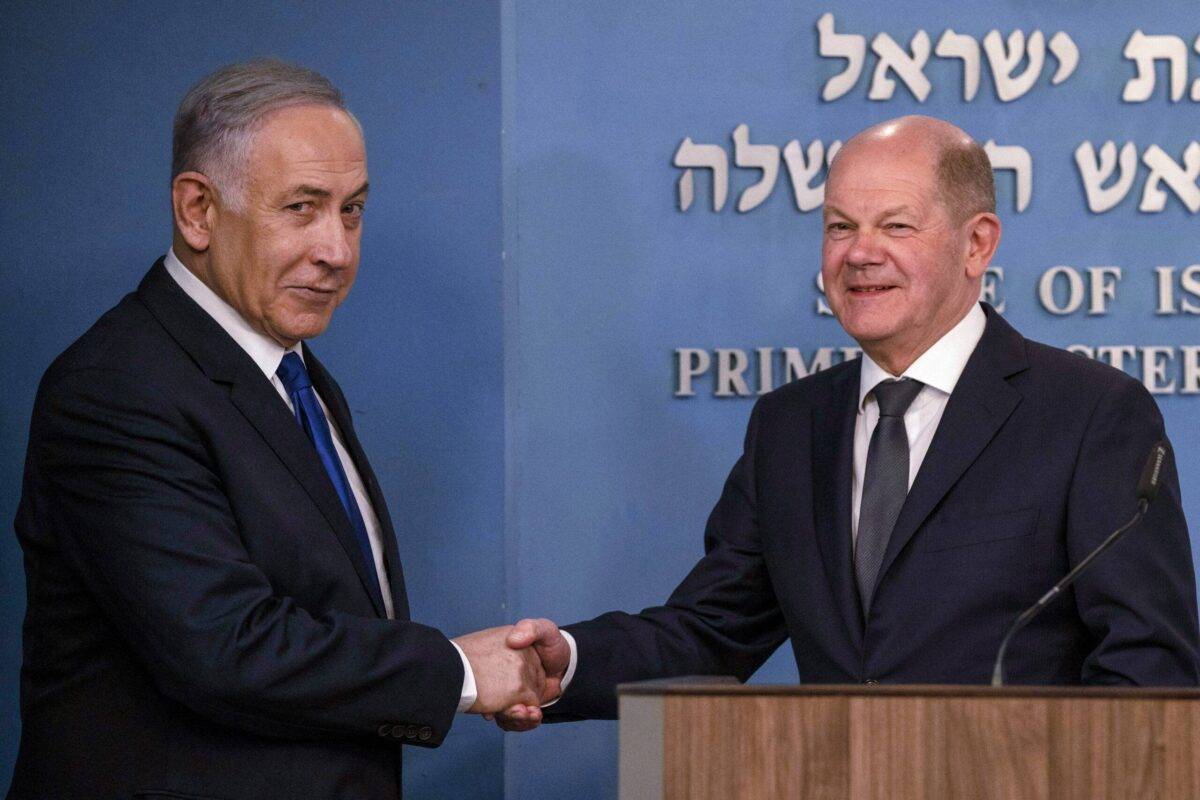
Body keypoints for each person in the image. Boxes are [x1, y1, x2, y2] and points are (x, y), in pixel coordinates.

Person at [495, 114, 1200, 731]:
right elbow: (712, 631)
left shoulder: (1088, 413)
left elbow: (1148, 669)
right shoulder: (790, 426)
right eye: (840, 226)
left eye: (895, 224)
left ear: (977, 244)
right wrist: (570, 662)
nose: (860, 253)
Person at [9, 59, 562, 799]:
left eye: (352, 209)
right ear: (198, 210)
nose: (337, 250)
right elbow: (225, 648)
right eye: (301, 208)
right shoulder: (116, 387)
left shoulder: (291, 372)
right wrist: (460, 675)